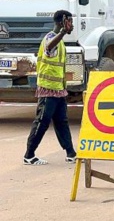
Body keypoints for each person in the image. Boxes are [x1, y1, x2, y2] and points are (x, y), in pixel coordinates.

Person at [23, 10, 77, 165]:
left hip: (58, 89)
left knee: (62, 121)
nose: (71, 25)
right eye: (69, 22)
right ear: (61, 22)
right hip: (48, 89)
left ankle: (71, 153)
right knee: (42, 121)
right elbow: (48, 48)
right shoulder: (52, 38)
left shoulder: (60, 41)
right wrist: (62, 33)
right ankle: (29, 155)